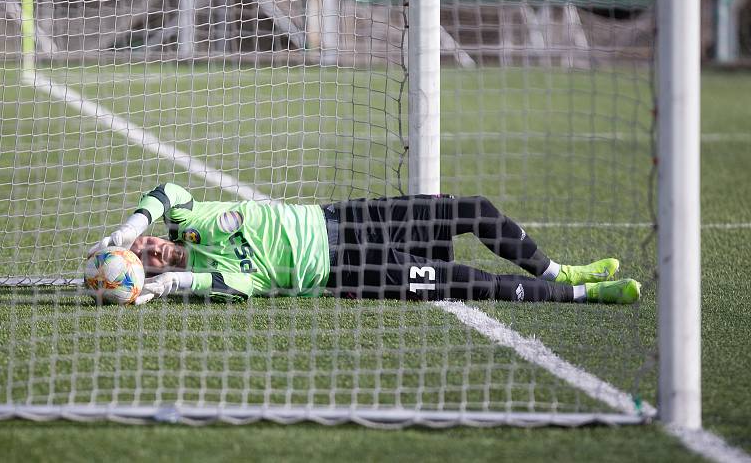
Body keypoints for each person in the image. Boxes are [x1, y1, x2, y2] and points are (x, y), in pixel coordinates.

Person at [88, 183, 641, 305]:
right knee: (466, 284)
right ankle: (588, 296)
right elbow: (211, 284)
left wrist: (132, 226)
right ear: (147, 273)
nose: (155, 249)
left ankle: (557, 270)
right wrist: (163, 286)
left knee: (471, 211)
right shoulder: (226, 278)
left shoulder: (193, 219)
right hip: (350, 269)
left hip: (353, 218)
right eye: (146, 258)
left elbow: (169, 189)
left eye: (151, 244)